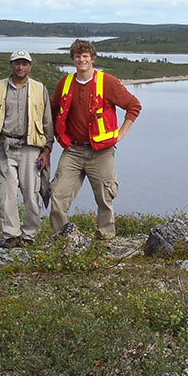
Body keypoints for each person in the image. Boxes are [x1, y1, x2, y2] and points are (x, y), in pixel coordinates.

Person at [49, 39, 142, 240]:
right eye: (77, 56)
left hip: (101, 152)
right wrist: (57, 135)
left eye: (85, 56)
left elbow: (134, 105)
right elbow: (53, 110)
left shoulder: (107, 82)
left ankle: (105, 240)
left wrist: (121, 133)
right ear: (73, 59)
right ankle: (62, 239)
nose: (81, 59)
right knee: (57, 194)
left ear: (92, 58)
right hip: (73, 150)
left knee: (104, 198)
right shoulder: (65, 83)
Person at [0, 50, 53, 249]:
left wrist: (47, 149)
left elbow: (47, 121)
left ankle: (30, 235)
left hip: (31, 148)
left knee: (31, 193)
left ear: (30, 66)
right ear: (10, 65)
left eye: (25, 63)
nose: (21, 67)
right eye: (17, 63)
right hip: (5, 147)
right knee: (6, 194)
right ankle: (11, 235)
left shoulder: (39, 88)